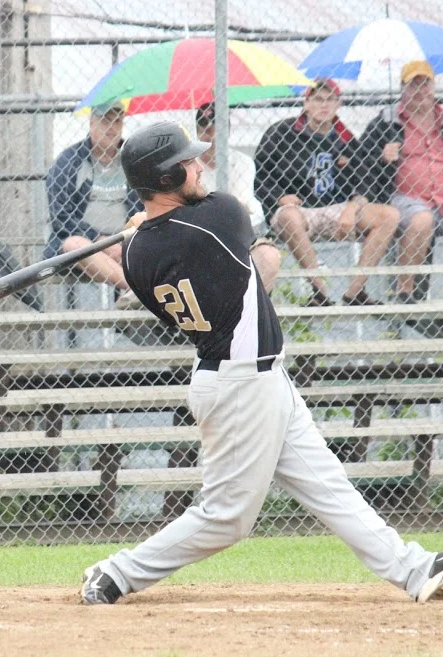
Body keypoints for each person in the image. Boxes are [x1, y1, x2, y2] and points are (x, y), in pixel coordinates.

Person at [79, 121, 443, 606]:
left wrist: (140, 226)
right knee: (228, 517)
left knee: (328, 486)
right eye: (188, 163)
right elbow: (248, 244)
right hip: (239, 384)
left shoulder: (138, 255)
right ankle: (116, 573)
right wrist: (147, 223)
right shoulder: (218, 217)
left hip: (256, 377)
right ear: (166, 179)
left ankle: (416, 569)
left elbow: (175, 237)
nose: (199, 167)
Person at [254, 78, 400, 306]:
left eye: (330, 100)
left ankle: (355, 291)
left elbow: (364, 181)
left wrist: (352, 208)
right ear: (306, 102)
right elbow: (260, 174)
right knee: (289, 215)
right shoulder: (281, 133)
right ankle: (320, 290)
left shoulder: (346, 138)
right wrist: (280, 197)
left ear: (338, 104)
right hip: (298, 210)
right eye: (318, 99)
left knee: (389, 215)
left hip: (337, 210)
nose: (324, 105)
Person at [357, 60, 441, 303]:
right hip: (405, 198)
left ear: (433, 86)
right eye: (412, 85)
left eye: (424, 84)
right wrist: (382, 157)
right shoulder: (387, 121)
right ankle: (406, 292)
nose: (419, 91)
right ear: (402, 88)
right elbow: (360, 160)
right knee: (422, 219)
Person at [45, 103, 138, 300]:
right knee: (74, 244)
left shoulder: (133, 158)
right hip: (86, 245)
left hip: (127, 242)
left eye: (117, 121)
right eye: (105, 121)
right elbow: (60, 216)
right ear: (91, 123)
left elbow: (146, 205)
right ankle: (136, 288)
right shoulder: (69, 161)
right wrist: (100, 240)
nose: (112, 128)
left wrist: (128, 240)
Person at [194, 102, 281, 292]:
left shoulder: (242, 162)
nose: (212, 138)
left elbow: (240, 207)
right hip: (203, 238)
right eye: (206, 131)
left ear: (228, 132)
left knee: (268, 255)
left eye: (218, 131)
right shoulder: (190, 166)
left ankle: (255, 313)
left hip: (243, 234)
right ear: (197, 133)